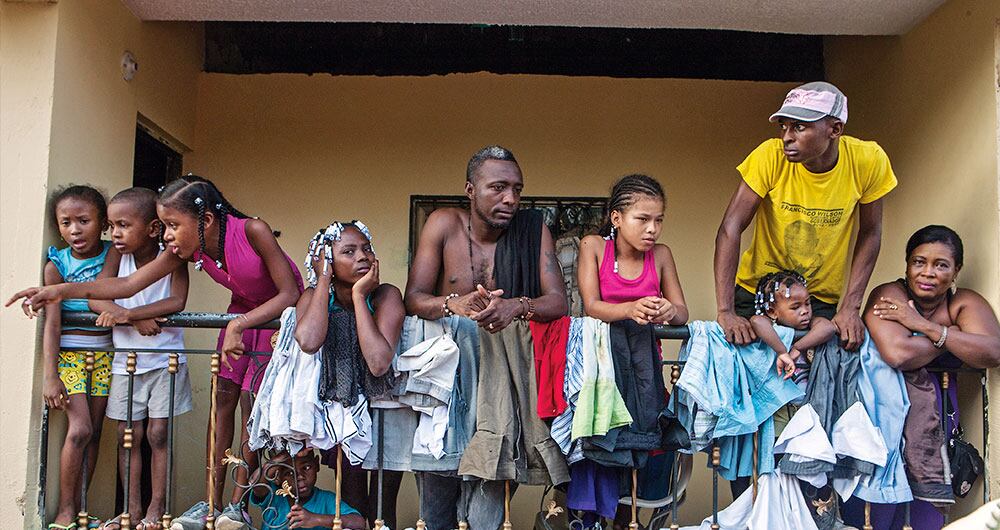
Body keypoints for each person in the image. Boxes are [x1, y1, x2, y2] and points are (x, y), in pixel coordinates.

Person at [8, 175, 304, 529]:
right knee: (221, 406)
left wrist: (239, 325)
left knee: (250, 407)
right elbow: (126, 284)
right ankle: (213, 504)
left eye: (173, 225)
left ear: (206, 220)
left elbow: (290, 293)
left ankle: (238, 504)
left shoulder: (254, 230)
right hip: (241, 314)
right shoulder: (188, 249)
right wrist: (57, 291)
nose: (166, 235)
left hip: (276, 320)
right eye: (164, 226)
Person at [403, 145, 568, 529]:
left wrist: (515, 306)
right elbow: (414, 297)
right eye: (498, 187)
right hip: (448, 386)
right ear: (470, 189)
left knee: (488, 507)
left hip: (506, 384)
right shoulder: (443, 224)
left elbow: (558, 301)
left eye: (517, 189)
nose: (510, 198)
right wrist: (453, 304)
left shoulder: (533, 230)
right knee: (438, 501)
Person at [714, 81, 897, 352]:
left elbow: (871, 231)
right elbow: (731, 226)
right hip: (759, 294)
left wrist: (851, 306)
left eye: (799, 127)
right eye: (783, 126)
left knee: (811, 375)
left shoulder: (867, 160)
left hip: (816, 299)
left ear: (835, 129)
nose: (786, 137)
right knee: (747, 373)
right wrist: (725, 310)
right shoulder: (770, 156)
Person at [846, 225, 1000, 530]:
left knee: (925, 519)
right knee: (874, 517)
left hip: (937, 427)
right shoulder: (889, 295)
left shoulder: (962, 302)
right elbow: (899, 353)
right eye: (919, 262)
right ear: (907, 265)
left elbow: (992, 351)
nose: (928, 272)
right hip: (882, 425)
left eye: (941, 265)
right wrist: (953, 336)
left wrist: (924, 326)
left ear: (956, 271)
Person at [576, 173, 687, 527]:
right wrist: (629, 309)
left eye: (659, 220)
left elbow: (681, 312)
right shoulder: (594, 246)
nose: (652, 229)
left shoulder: (662, 255)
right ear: (617, 218)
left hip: (645, 371)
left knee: (640, 451)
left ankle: (628, 521)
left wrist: (668, 311)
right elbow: (591, 305)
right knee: (598, 452)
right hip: (601, 372)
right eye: (643, 219)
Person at [88, 188, 192, 530]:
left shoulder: (173, 255)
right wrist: (131, 318)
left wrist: (131, 314)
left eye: (123, 225)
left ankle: (156, 509)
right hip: (126, 363)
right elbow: (95, 298)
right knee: (127, 435)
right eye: (112, 226)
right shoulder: (116, 257)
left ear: (152, 228)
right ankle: (130, 511)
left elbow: (177, 301)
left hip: (165, 362)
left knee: (158, 435)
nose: (115, 234)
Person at [293, 221, 404, 528]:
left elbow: (378, 363)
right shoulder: (314, 298)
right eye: (349, 251)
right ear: (327, 260)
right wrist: (323, 281)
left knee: (382, 506)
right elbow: (308, 341)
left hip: (385, 411)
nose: (363, 256)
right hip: (341, 413)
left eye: (366, 249)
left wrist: (358, 297)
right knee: (352, 501)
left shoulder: (385, 296)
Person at [37, 185, 114, 530]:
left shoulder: (113, 255)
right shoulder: (56, 266)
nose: (74, 230)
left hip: (105, 356)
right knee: (80, 428)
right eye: (65, 222)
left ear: (103, 223)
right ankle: (65, 511)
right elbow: (52, 324)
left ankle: (82, 510)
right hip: (70, 357)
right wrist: (50, 374)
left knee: (94, 432)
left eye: (84, 221)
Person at [249, 447, 366, 530]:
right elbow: (254, 483)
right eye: (289, 473)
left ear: (317, 464)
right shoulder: (274, 495)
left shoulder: (326, 499)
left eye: (306, 467)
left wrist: (315, 519)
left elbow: (359, 522)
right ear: (277, 477)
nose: (300, 477)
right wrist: (285, 455)